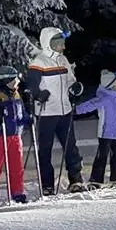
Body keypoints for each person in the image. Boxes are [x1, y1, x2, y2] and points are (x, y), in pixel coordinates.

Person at [26, 28, 85, 195]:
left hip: (64, 110)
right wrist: (38, 94)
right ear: (49, 43)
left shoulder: (63, 60)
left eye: (63, 43)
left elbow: (70, 81)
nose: (63, 46)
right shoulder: (39, 62)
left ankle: (76, 179)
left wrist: (75, 89)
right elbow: (30, 85)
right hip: (46, 113)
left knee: (70, 146)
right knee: (45, 149)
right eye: (59, 43)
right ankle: (47, 185)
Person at [75, 69, 116, 187]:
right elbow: (89, 105)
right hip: (105, 133)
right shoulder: (103, 98)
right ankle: (96, 180)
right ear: (110, 85)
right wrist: (75, 109)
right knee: (102, 157)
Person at [0, 66, 30, 207]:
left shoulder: (16, 94)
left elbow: (20, 113)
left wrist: (27, 119)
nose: (18, 81)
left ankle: (18, 192)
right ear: (7, 80)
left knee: (17, 166)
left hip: (15, 135)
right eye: (15, 79)